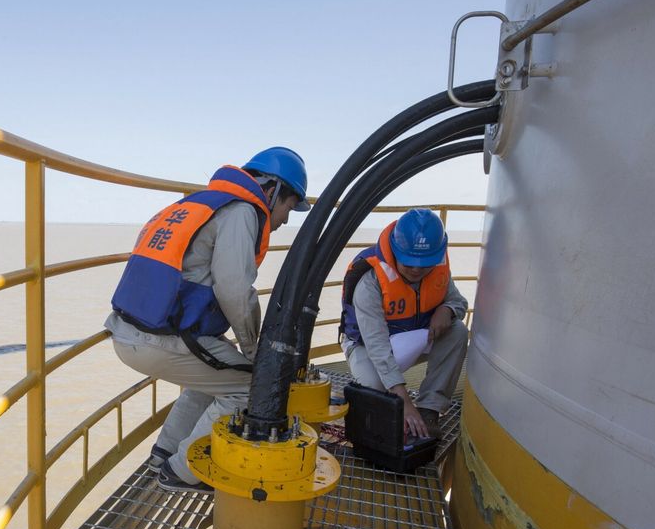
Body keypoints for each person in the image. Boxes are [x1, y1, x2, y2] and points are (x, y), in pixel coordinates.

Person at [106, 147, 310, 493]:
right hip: (161, 340)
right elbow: (233, 289)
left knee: (213, 379)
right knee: (249, 389)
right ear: (273, 190)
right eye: (290, 206)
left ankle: (163, 453)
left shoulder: (197, 203)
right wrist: (253, 351)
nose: (287, 219)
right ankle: (184, 471)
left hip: (129, 330)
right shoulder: (242, 210)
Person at [339, 208, 468, 439]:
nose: (417, 270)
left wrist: (447, 310)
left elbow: (458, 301)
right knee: (373, 387)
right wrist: (403, 400)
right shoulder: (370, 282)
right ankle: (395, 404)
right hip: (367, 346)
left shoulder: (438, 271)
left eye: (425, 263)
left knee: (457, 330)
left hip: (409, 339)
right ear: (394, 252)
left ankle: (429, 409)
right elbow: (377, 346)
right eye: (409, 263)